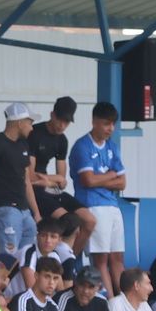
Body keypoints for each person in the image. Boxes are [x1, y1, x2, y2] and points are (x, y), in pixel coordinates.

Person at [67, 102, 128, 294]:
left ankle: (125, 300)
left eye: (113, 124)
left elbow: (122, 182)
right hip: (93, 206)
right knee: (100, 260)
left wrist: (100, 179)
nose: (111, 128)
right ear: (94, 121)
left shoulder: (112, 146)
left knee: (117, 258)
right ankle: (109, 301)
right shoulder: (82, 146)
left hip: (113, 206)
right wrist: (110, 175)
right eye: (106, 123)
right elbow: (88, 181)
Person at [0, 102, 42, 261]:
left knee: (27, 257)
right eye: (30, 123)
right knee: (7, 258)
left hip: (24, 210)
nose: (32, 128)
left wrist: (36, 212)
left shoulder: (23, 144)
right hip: (4, 208)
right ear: (20, 122)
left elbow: (26, 180)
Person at [27, 96, 96, 255]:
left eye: (66, 122)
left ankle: (69, 258)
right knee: (70, 222)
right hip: (34, 190)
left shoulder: (62, 140)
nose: (62, 125)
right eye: (60, 120)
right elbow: (30, 176)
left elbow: (62, 181)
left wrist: (50, 180)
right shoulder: (35, 134)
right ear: (52, 115)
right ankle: (57, 258)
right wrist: (54, 179)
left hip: (49, 188)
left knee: (89, 220)